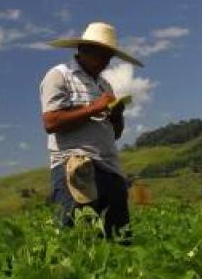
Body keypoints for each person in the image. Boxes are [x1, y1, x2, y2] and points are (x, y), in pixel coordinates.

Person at [39, 21, 143, 242]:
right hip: (76, 165)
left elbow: (114, 134)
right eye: (100, 55)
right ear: (83, 50)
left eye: (108, 56)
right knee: (78, 236)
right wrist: (95, 107)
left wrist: (116, 115)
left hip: (110, 169)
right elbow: (51, 122)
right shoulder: (60, 76)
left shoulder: (105, 86)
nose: (105, 61)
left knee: (119, 238)